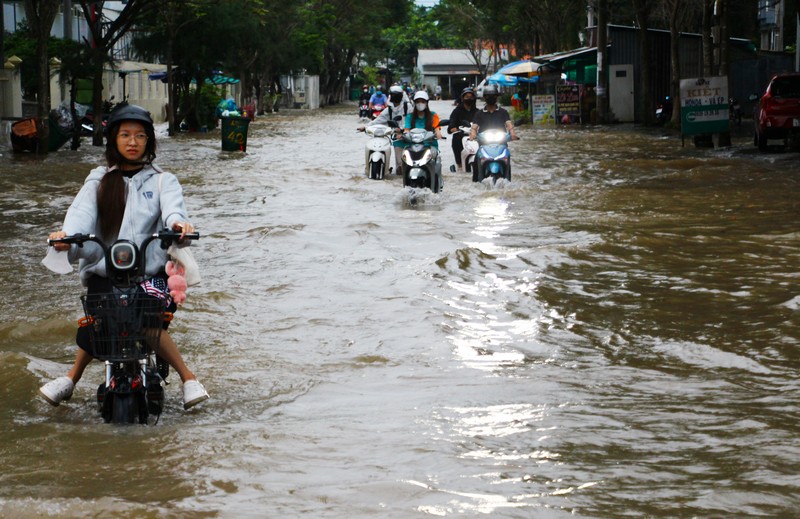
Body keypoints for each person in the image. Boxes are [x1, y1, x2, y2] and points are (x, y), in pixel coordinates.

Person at [39, 104, 209, 411]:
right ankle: (70, 379)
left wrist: (179, 227)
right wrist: (66, 237)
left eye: (140, 136)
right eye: (125, 135)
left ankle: (188, 378)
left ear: (149, 141)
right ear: (114, 139)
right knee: (98, 322)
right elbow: (80, 215)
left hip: (150, 274)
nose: (133, 142)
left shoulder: (163, 180)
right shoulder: (99, 179)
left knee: (146, 318)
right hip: (106, 271)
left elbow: (174, 211)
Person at [358, 85, 411, 172]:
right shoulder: (389, 109)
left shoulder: (407, 106)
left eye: (397, 95)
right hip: (397, 138)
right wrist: (365, 127)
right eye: (393, 94)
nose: (395, 97)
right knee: (400, 167)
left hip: (410, 137)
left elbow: (412, 120)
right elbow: (378, 120)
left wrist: (404, 130)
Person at [447, 87, 478, 171]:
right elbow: (451, 125)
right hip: (461, 137)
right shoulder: (456, 111)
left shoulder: (477, 112)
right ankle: (460, 165)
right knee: (456, 139)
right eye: (467, 97)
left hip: (475, 137)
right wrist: (454, 128)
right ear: (462, 98)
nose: (469, 99)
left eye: (471, 97)